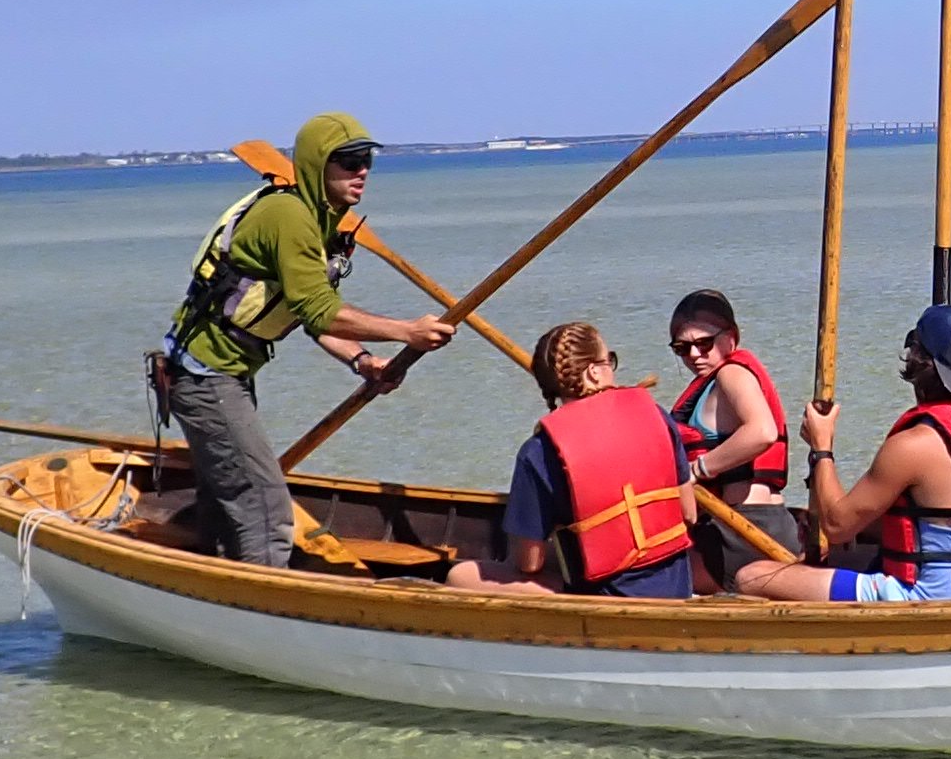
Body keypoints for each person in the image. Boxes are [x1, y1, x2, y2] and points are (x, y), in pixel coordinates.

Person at [148, 113, 457, 565]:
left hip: (221, 373)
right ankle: (264, 606)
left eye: (367, 159)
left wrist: (362, 361)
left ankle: (221, 579)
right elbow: (320, 310)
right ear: (316, 166)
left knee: (228, 497)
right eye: (348, 161)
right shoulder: (288, 217)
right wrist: (406, 331)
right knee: (265, 504)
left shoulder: (319, 220)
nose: (362, 171)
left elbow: (313, 317)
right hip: (205, 375)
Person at [739, 303, 951, 603]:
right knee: (841, 558)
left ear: (918, 361)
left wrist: (821, 447)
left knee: (752, 576)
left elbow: (837, 526)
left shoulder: (915, 444)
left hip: (921, 595)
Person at [448, 322, 704, 597]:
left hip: (605, 595)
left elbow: (529, 562)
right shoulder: (656, 416)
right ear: (594, 372)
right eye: (610, 361)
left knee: (458, 575)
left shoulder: (538, 451)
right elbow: (688, 514)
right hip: (674, 588)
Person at [665, 289, 800, 580]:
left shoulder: (731, 375)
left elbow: (762, 432)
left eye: (704, 343)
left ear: (732, 336)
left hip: (745, 529)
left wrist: (696, 470)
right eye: (681, 348)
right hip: (763, 524)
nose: (694, 355)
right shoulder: (715, 381)